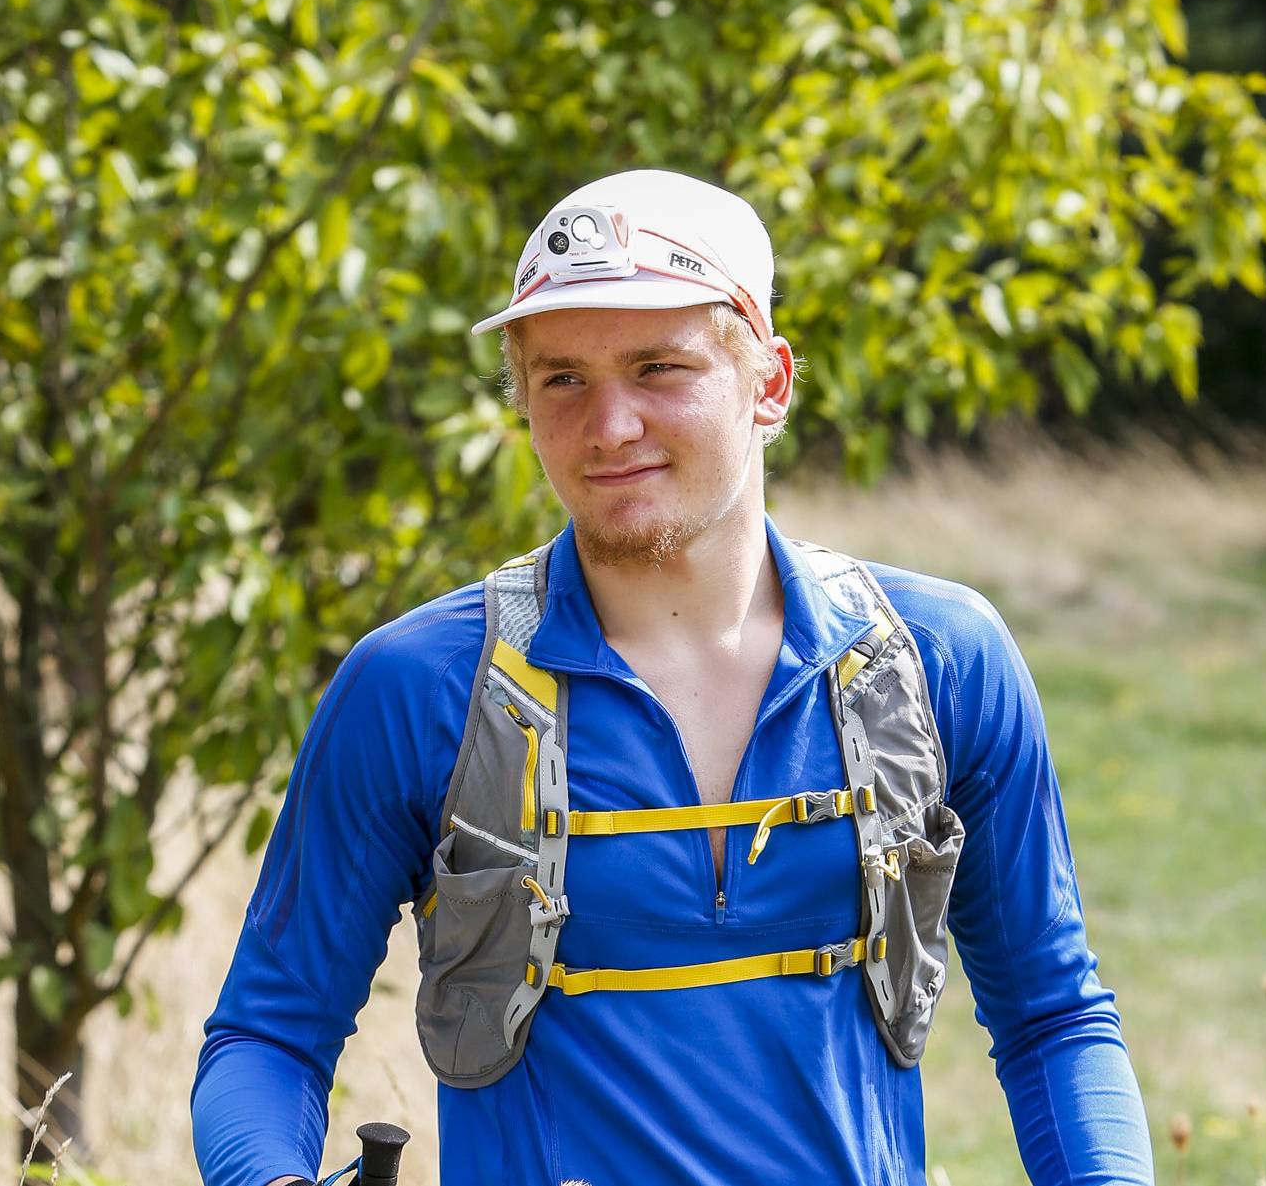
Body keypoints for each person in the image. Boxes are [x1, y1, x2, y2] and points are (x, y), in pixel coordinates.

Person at [190, 169, 1154, 1186]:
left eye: (659, 367)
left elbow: (1053, 1017)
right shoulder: (418, 687)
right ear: (520, 395)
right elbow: (269, 1035)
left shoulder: (937, 659)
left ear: (770, 381)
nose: (609, 427)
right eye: (562, 377)